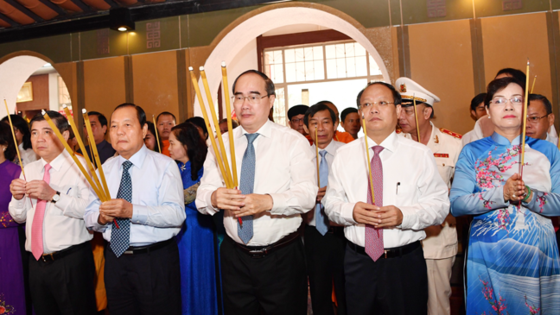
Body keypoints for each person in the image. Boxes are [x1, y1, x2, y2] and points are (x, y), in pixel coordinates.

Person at [196, 70, 317, 315]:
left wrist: (269, 202)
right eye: (239, 97)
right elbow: (202, 196)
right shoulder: (221, 144)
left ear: (271, 100)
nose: (245, 104)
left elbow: (306, 195)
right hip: (235, 255)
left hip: (281, 256)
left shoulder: (293, 142)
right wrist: (214, 197)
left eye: (253, 96)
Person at [323, 81, 449, 315]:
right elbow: (330, 204)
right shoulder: (344, 155)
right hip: (357, 261)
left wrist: (404, 216)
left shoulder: (419, 155)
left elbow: (440, 206)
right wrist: (351, 212)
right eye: (367, 104)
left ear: (399, 110)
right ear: (360, 112)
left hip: (403, 263)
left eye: (382, 103)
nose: (373, 109)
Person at [450, 77, 560, 314]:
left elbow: (558, 205)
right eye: (499, 101)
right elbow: (457, 205)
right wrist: (502, 194)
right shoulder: (472, 151)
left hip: (538, 253)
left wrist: (528, 194)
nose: (508, 106)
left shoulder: (548, 150)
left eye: (516, 100)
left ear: (526, 109)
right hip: (488, 253)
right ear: (488, 110)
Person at [84, 103, 185, 314]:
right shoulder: (104, 171)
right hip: (115, 260)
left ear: (144, 130)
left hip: (154, 260)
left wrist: (132, 211)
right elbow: (89, 217)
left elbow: (176, 215)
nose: (119, 131)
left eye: (127, 125)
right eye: (113, 126)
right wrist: (101, 219)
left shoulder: (164, 165)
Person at [9, 111, 96, 315]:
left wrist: (54, 195)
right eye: (34, 133)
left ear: (65, 135)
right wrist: (18, 198)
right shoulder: (29, 169)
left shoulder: (80, 166)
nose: (39, 139)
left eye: (47, 132)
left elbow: (91, 211)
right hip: (37, 262)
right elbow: (19, 217)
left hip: (70, 261)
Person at [395, 77, 461, 315]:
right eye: (399, 109)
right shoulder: (394, 145)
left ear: (427, 112)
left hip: (437, 238)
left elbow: (462, 193)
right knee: (403, 302)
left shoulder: (453, 145)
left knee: (437, 305)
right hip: (400, 239)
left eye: (408, 110)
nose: (401, 116)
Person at [302, 103, 347, 315]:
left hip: (345, 232)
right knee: (319, 291)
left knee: (347, 288)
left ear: (336, 124)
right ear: (306, 128)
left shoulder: (348, 154)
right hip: (313, 233)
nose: (320, 128)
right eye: (314, 123)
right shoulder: (299, 157)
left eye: (326, 122)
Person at [168, 122, 217, 315]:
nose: (169, 148)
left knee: (195, 278)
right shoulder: (173, 168)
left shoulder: (204, 169)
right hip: (176, 232)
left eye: (172, 143)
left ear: (186, 145)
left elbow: (194, 195)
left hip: (196, 232)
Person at [0, 121, 26, 315]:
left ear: (4, 144)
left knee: (10, 286)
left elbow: (22, 213)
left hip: (9, 241)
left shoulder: (16, 172)